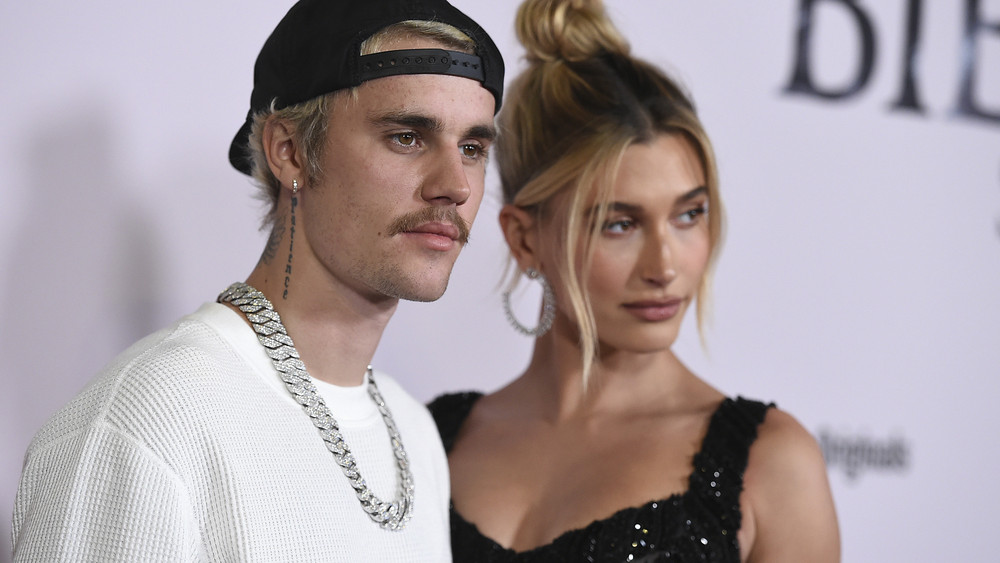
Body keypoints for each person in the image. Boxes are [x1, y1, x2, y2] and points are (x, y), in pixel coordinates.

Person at [11, 0, 502, 560]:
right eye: (407, 137)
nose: (456, 185)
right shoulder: (147, 422)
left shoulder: (414, 433)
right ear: (289, 151)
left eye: (472, 148)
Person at [429, 0, 840, 561]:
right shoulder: (429, 441)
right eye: (620, 224)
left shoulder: (770, 465)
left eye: (688, 215)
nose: (665, 267)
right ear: (524, 239)